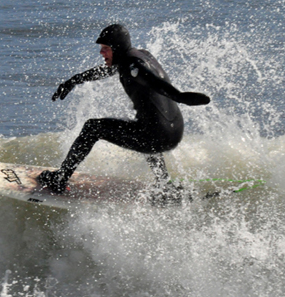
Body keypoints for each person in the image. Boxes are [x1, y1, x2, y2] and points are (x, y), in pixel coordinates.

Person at [38, 24, 210, 194]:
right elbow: (107, 71)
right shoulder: (140, 56)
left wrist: (180, 96)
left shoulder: (133, 67)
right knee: (145, 124)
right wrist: (74, 80)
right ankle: (164, 184)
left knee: (92, 128)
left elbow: (155, 83)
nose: (101, 53)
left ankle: (60, 179)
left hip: (158, 138)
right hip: (172, 131)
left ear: (117, 48)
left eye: (106, 48)